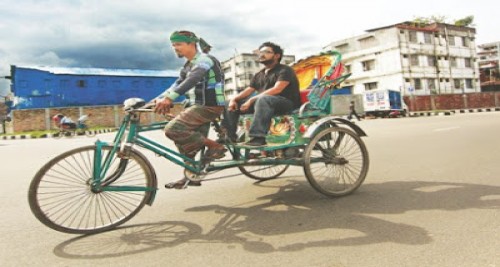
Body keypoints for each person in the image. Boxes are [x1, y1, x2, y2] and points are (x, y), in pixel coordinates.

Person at [152, 30, 226, 189]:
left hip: (210, 105)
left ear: (192, 44)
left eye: (178, 44)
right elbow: (176, 85)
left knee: (174, 129)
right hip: (194, 105)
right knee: (185, 141)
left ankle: (216, 146)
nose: (175, 48)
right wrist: (152, 102)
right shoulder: (186, 66)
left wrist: (169, 99)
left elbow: (194, 78)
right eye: (173, 45)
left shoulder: (206, 60)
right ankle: (191, 175)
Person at [223, 42, 300, 147]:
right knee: (228, 103)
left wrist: (251, 100)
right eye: (261, 52)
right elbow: (249, 90)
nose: (262, 55)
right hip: (264, 103)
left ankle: (258, 137)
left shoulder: (285, 70)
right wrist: (234, 99)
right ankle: (229, 137)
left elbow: (277, 89)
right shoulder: (259, 74)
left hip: (286, 103)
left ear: (277, 56)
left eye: (267, 52)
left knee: (264, 99)